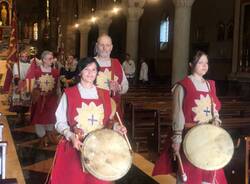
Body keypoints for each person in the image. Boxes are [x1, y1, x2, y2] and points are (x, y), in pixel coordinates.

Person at [152, 51, 227, 184]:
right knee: (190, 173)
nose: (204, 66)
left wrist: (216, 118)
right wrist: (177, 138)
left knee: (209, 171)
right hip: (190, 136)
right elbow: (178, 114)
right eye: (200, 62)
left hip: (208, 137)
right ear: (191, 65)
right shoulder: (182, 86)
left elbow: (214, 107)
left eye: (206, 63)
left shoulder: (210, 85)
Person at [50, 57, 127, 184]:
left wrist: (116, 127)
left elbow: (108, 121)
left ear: (97, 73)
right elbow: (60, 122)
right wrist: (71, 136)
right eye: (86, 69)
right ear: (80, 71)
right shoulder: (69, 93)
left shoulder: (104, 94)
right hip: (75, 146)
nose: (90, 73)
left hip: (99, 152)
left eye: (94, 70)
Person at [25, 50, 60, 147]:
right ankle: (41, 137)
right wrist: (34, 88)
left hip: (51, 100)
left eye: (52, 58)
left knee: (50, 118)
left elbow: (57, 87)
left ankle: (49, 135)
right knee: (39, 118)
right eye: (49, 59)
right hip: (39, 99)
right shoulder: (36, 72)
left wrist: (58, 98)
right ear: (43, 60)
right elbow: (30, 85)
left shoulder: (55, 72)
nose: (51, 60)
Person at [95, 34, 128, 116]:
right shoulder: (90, 63)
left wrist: (119, 88)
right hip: (95, 108)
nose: (104, 48)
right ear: (96, 46)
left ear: (111, 47)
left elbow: (125, 84)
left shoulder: (117, 63)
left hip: (114, 108)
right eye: (101, 45)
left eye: (107, 45)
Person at [10, 50, 31, 123]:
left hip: (26, 84)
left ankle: (23, 116)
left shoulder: (29, 65)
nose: (24, 58)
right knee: (18, 102)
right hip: (19, 84)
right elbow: (16, 75)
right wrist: (19, 82)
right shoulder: (17, 65)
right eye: (23, 56)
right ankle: (19, 116)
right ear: (20, 57)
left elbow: (31, 75)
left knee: (25, 102)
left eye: (26, 56)